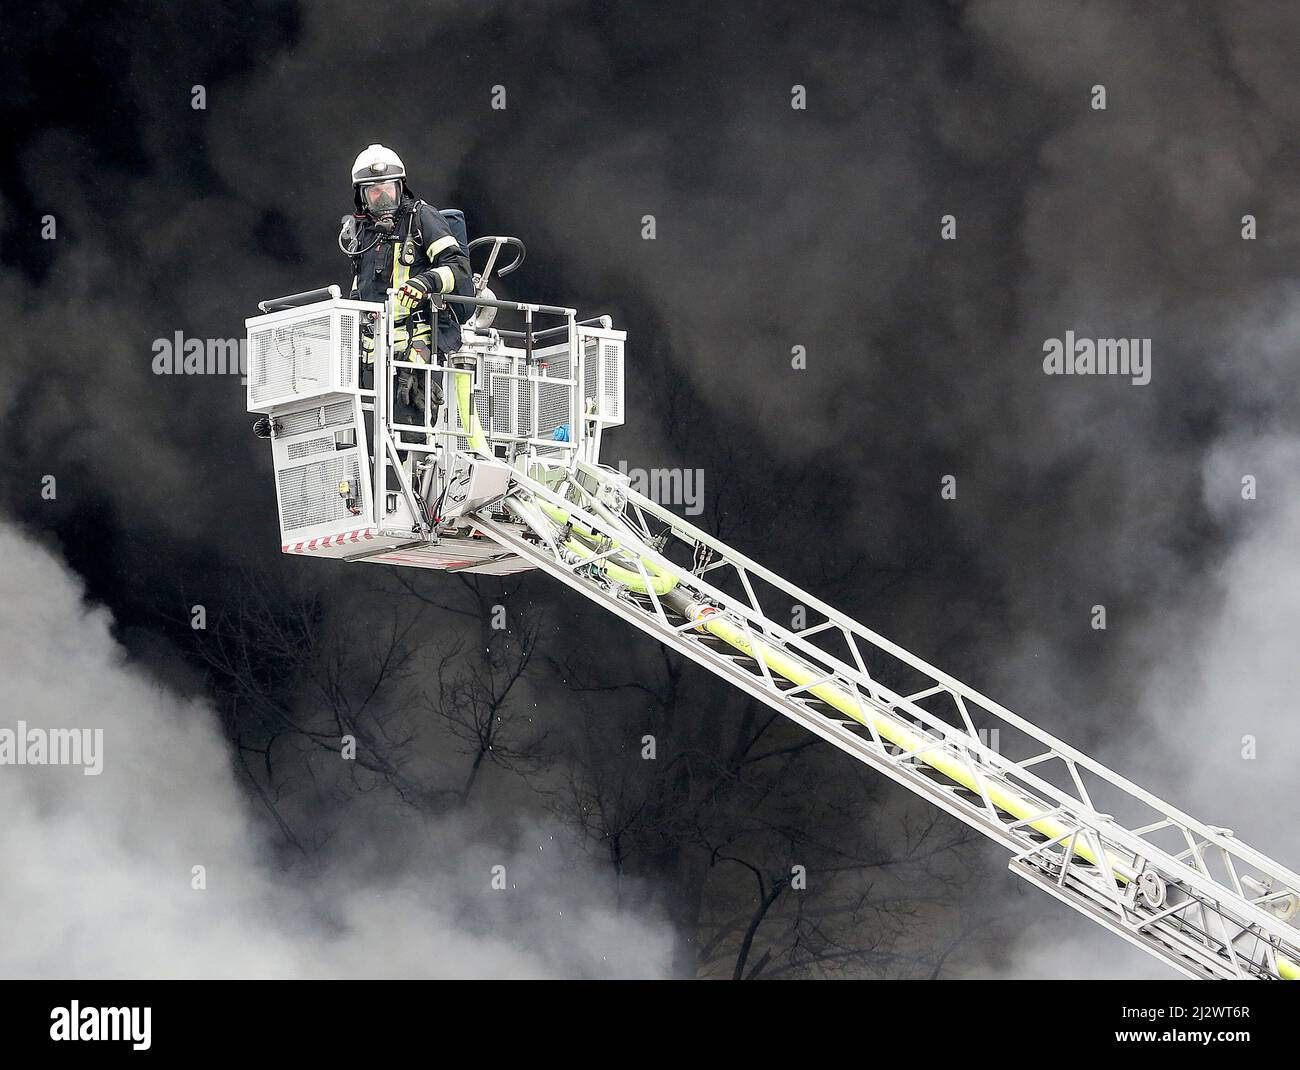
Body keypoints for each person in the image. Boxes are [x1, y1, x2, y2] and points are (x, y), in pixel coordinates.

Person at [338, 144, 473, 444]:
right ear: (362, 197)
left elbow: (458, 267)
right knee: (368, 442)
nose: (383, 197)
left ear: (401, 188)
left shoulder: (422, 218)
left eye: (388, 188)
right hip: (373, 356)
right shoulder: (362, 235)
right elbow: (359, 293)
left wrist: (424, 283)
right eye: (374, 191)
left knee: (408, 439)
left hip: (416, 351)